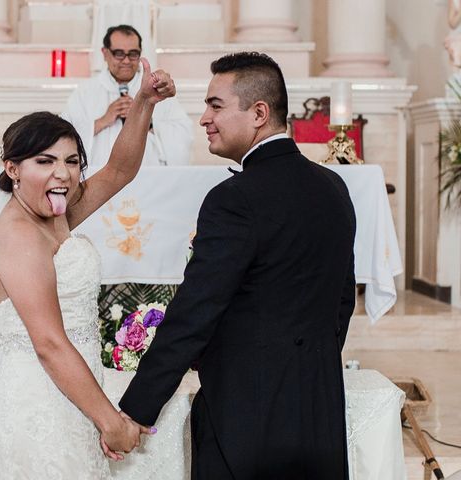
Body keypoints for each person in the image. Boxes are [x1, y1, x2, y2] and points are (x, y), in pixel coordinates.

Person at [119, 52, 356, 480]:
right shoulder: (334, 187)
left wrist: (137, 409)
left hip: (247, 420)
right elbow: (341, 301)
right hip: (320, 412)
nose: (203, 119)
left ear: (259, 113)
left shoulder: (235, 199)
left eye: (215, 105)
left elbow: (195, 312)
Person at [0, 58, 176, 479]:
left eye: (71, 161)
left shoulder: (53, 214)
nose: (62, 174)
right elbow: (48, 342)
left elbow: (120, 170)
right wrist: (111, 421)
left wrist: (143, 102)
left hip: (74, 391)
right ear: (12, 169)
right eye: (45, 162)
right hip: (39, 402)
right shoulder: (19, 238)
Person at [62, 24, 193, 172]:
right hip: (99, 178)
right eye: (119, 53)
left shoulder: (157, 90)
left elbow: (183, 135)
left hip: (148, 177)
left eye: (133, 54)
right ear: (105, 53)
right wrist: (103, 121)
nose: (126, 61)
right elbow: (62, 137)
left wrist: (145, 121)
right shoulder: (85, 92)